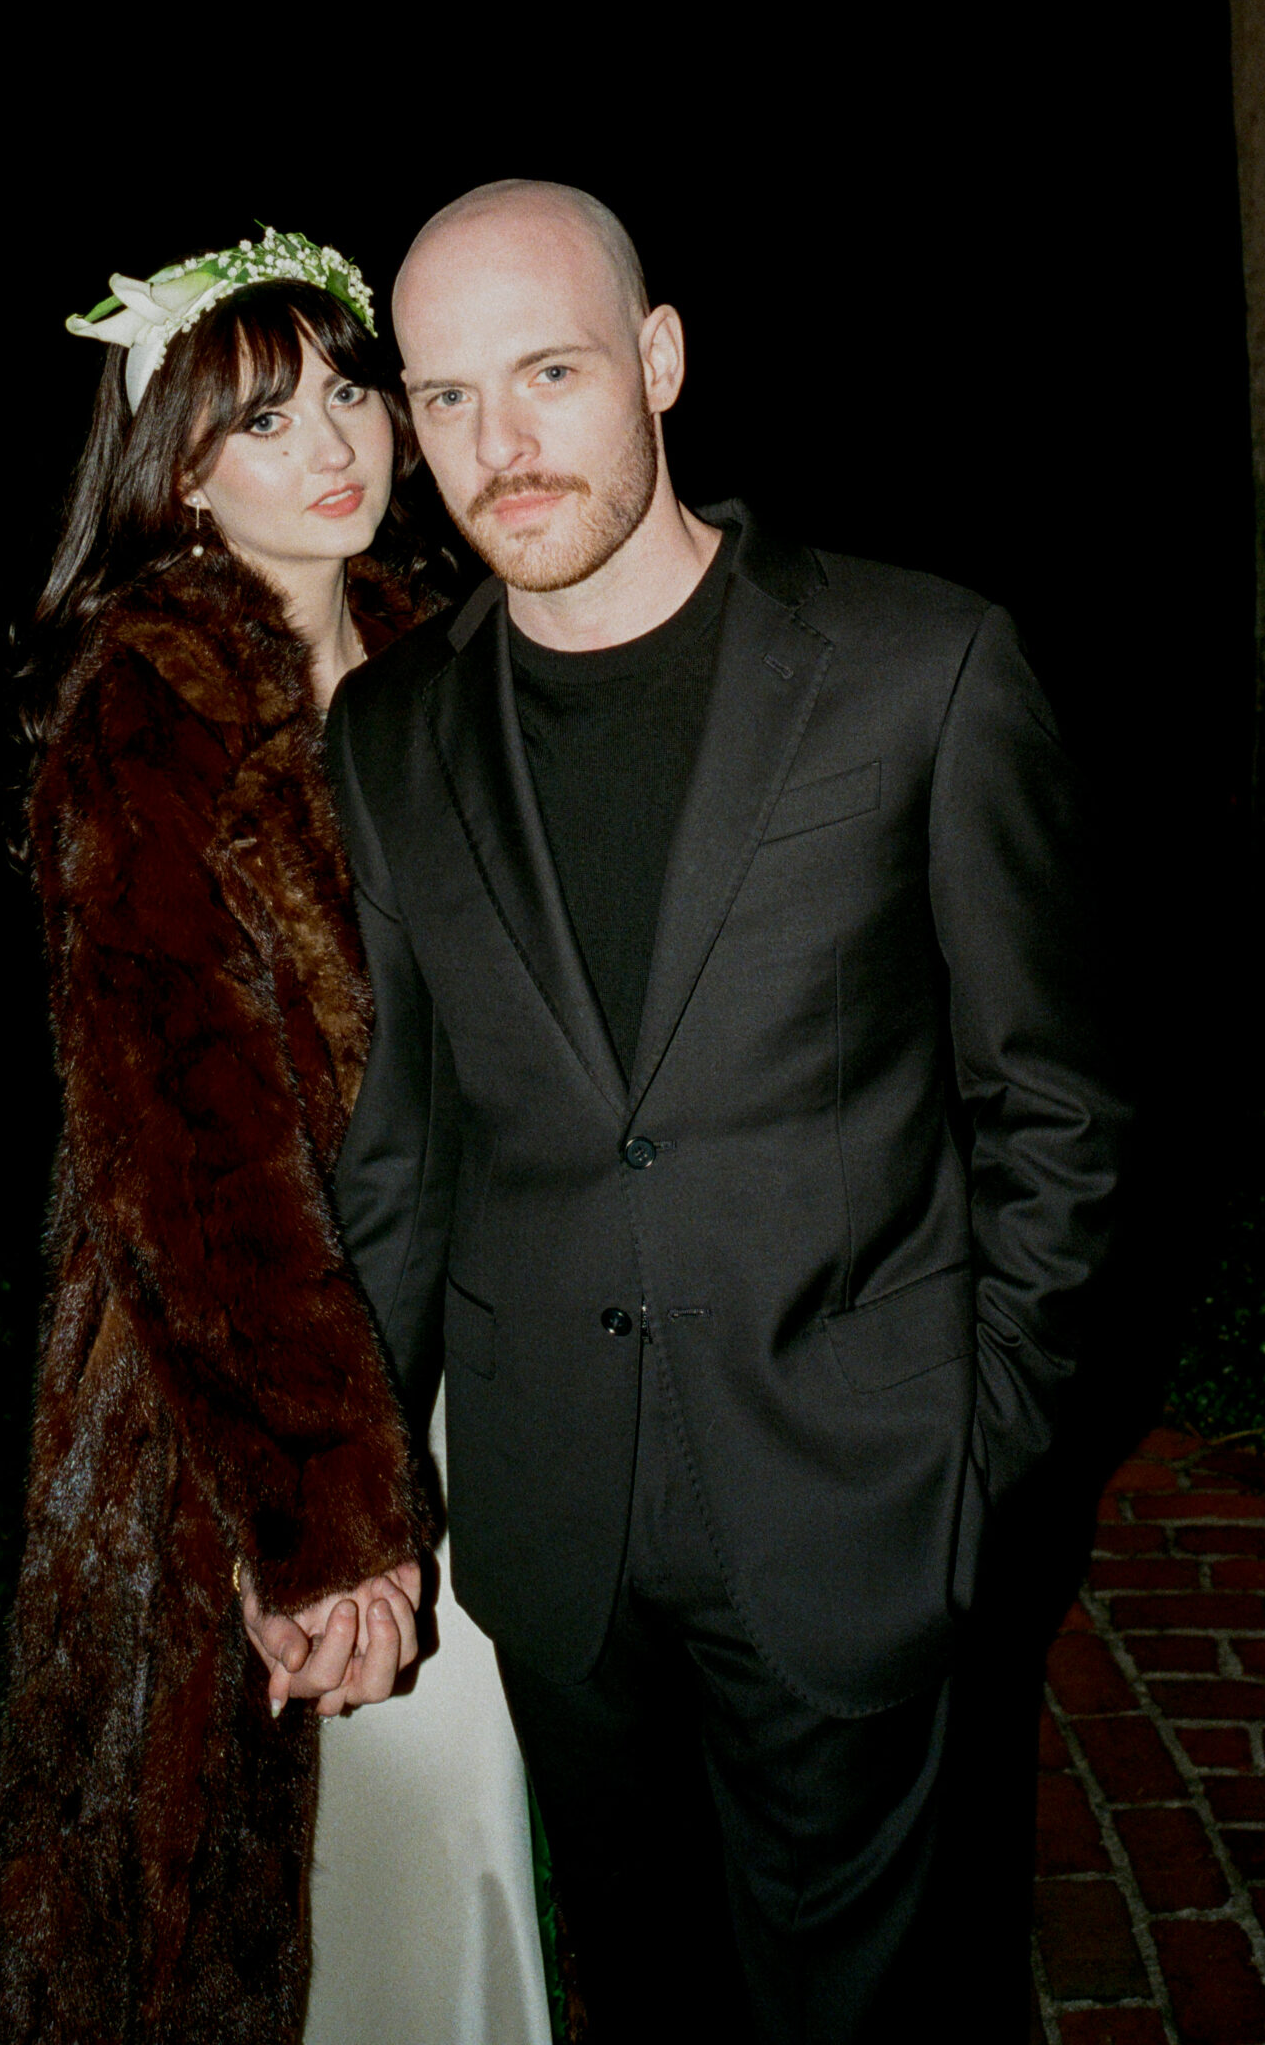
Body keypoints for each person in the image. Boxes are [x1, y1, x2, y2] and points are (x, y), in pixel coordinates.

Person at [325, 180, 1130, 2042]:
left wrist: (980, 1453)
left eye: (547, 372)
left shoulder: (918, 667)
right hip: (553, 1532)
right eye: (444, 397)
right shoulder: (390, 732)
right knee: (650, 1995)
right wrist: (356, 1493)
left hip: (858, 1500)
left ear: (660, 360)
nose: (498, 446)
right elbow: (401, 1151)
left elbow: (1060, 1110)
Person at [0, 229, 547, 2045]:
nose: (337, 446)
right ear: (177, 470)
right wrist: (315, 1513)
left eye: (349, 392)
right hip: (248, 1382)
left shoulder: (444, 655)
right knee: (332, 1846)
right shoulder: (143, 714)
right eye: (262, 419)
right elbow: (188, 1154)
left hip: (486, 1329)